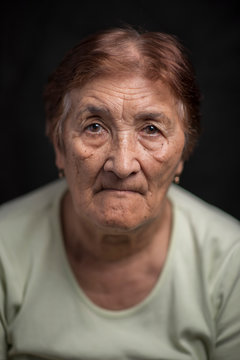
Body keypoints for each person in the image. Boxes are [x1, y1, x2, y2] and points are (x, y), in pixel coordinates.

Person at [0, 27, 239, 360]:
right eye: (94, 126)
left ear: (184, 154)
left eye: (151, 129)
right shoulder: (4, 247)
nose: (122, 164)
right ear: (58, 146)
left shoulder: (232, 262)